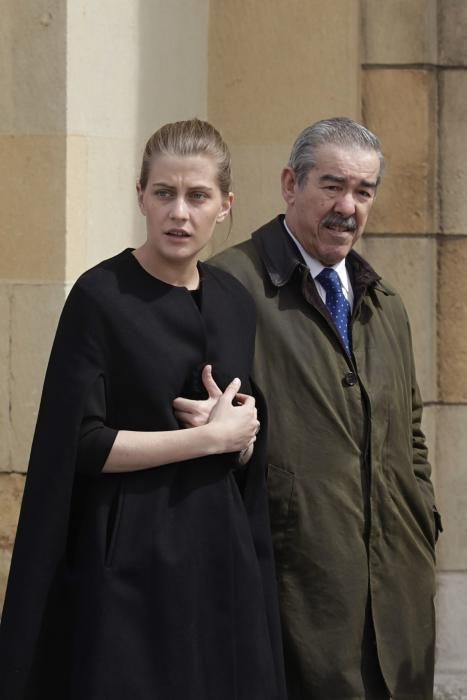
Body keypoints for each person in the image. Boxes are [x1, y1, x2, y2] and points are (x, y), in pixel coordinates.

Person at [0, 119, 287, 700]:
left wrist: (243, 435)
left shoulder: (233, 301)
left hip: (221, 556)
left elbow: (239, 427)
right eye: (164, 193)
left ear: (225, 206)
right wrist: (204, 440)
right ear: (141, 197)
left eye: (197, 196)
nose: (179, 213)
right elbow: (79, 443)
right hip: (129, 558)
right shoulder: (100, 296)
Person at [175, 117, 442, 700]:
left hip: (397, 592)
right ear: (290, 184)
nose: (348, 206)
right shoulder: (227, 287)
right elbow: (201, 443)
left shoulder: (383, 302)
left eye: (363, 191)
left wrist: (422, 520)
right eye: (332, 185)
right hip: (293, 594)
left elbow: (411, 432)